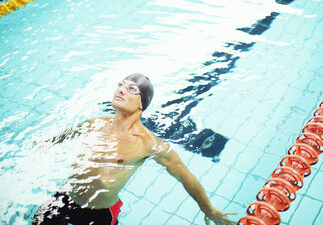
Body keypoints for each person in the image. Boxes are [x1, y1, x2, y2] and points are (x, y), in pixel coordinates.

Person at [32, 73, 237, 225]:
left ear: (141, 105)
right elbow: (64, 136)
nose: (121, 89)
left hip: (99, 212)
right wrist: (44, 143)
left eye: (132, 89)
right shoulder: (94, 124)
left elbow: (185, 176)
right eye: (120, 84)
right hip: (66, 197)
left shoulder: (148, 144)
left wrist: (207, 208)